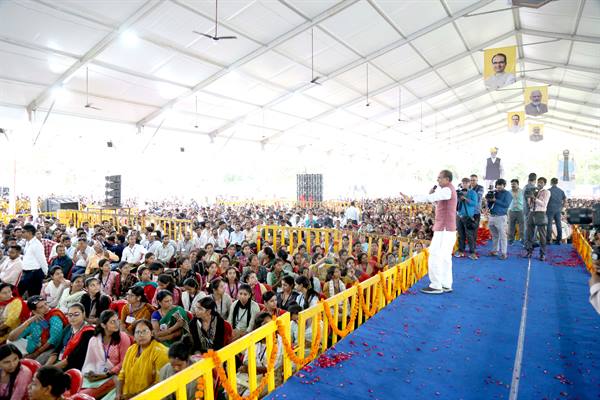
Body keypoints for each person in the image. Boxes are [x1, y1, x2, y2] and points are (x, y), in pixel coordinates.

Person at [414, 170, 457, 294]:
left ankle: (436, 285)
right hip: (447, 228)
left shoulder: (447, 190)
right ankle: (446, 284)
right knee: (445, 257)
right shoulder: (447, 191)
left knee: (435, 255)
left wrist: (413, 199)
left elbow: (433, 197)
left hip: (444, 228)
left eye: (440, 178)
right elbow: (437, 200)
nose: (437, 180)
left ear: (447, 179)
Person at [81, 310, 131, 399]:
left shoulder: (123, 337)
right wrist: (91, 373)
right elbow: (90, 361)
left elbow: (125, 362)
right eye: (112, 322)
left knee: (86, 395)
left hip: (115, 375)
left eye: (117, 320)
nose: (117, 324)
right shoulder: (94, 340)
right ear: (103, 325)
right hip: (98, 373)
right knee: (76, 388)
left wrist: (107, 374)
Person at [115, 319, 169, 400]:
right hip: (126, 395)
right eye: (137, 332)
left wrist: (135, 396)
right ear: (134, 336)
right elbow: (122, 375)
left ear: (152, 333)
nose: (141, 335)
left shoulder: (161, 352)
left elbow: (159, 383)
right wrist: (118, 394)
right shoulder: (131, 349)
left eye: (144, 331)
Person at [8, 296, 67, 363]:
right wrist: (28, 321)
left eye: (46, 304)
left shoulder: (54, 316)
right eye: (41, 307)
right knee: (10, 342)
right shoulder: (34, 319)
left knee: (37, 362)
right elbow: (11, 338)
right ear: (34, 311)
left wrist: (35, 354)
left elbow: (54, 339)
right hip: (34, 345)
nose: (46, 307)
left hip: (51, 347)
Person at [45, 303, 94, 371]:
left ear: (83, 314)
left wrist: (48, 370)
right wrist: (46, 367)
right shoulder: (68, 327)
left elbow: (72, 359)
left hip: (73, 366)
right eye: (70, 315)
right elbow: (57, 349)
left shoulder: (88, 332)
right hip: (60, 359)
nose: (72, 318)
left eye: (76, 314)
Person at [524, 177, 551, 260]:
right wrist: (529, 198)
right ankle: (529, 251)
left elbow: (544, 204)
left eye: (541, 182)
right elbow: (530, 205)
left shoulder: (546, 192)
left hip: (541, 213)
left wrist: (534, 198)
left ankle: (542, 254)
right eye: (538, 182)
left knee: (542, 235)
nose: (539, 184)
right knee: (529, 233)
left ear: (545, 184)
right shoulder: (534, 191)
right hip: (531, 213)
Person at [18, 224, 48, 297]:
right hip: (26, 273)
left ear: (29, 233)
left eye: (23, 232)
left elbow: (42, 259)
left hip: (34, 274)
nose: (21, 233)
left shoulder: (36, 244)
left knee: (33, 296)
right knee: (18, 293)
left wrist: (45, 272)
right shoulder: (28, 242)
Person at [486, 179, 513, 260]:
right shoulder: (494, 192)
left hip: (501, 217)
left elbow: (506, 205)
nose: (499, 186)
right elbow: (490, 203)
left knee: (503, 236)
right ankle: (495, 250)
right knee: (494, 235)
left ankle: (504, 253)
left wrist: (495, 200)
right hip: (492, 216)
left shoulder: (507, 194)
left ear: (504, 185)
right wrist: (488, 200)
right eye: (498, 185)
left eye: (501, 185)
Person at [455, 177, 478, 260]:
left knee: (470, 235)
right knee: (461, 235)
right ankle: (461, 250)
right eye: (463, 183)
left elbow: (474, 204)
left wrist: (465, 198)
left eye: (466, 183)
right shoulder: (459, 192)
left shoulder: (473, 193)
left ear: (469, 184)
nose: (464, 184)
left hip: (468, 216)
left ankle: (472, 252)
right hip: (459, 216)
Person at [546, 178, 567, 244]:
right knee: (559, 224)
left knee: (549, 224)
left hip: (549, 209)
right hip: (558, 210)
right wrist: (562, 207)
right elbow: (565, 200)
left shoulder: (548, 191)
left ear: (551, 182)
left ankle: (548, 240)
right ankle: (559, 240)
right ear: (557, 183)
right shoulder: (561, 191)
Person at [508, 179, 525, 244]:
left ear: (518, 184)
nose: (513, 185)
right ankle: (511, 240)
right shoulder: (509, 192)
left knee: (522, 226)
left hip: (520, 211)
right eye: (512, 184)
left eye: (514, 184)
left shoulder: (522, 191)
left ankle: (522, 240)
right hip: (511, 211)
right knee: (511, 226)